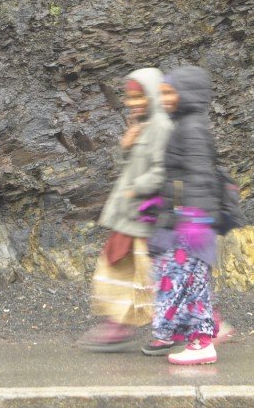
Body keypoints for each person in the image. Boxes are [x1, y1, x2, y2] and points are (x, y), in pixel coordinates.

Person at [80, 68, 173, 351]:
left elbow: (163, 170)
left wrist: (137, 188)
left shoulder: (162, 127)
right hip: (128, 216)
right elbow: (128, 168)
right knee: (117, 267)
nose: (133, 103)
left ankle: (192, 324)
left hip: (145, 217)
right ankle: (118, 325)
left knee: (155, 275)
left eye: (139, 97)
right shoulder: (142, 124)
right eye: (130, 97)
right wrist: (125, 147)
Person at [144, 66, 222, 365]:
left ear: (185, 94)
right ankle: (179, 332)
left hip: (191, 224)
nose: (163, 98)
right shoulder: (185, 126)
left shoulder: (192, 129)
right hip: (183, 220)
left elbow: (199, 176)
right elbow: (178, 180)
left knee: (191, 281)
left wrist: (196, 219)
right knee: (175, 277)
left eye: (168, 92)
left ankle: (203, 342)